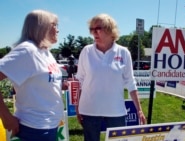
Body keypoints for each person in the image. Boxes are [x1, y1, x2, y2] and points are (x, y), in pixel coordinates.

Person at [75, 13, 147, 141]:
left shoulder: (123, 52)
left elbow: (130, 82)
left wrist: (139, 110)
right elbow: (79, 81)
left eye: (98, 28)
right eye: (91, 29)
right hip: (89, 109)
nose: (94, 32)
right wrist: (77, 107)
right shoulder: (86, 51)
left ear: (110, 30)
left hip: (116, 111)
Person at [0, 9, 66, 141]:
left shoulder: (44, 51)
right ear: (42, 27)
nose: (57, 30)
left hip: (50, 126)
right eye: (55, 25)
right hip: (33, 129)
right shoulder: (28, 51)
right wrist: (6, 116)